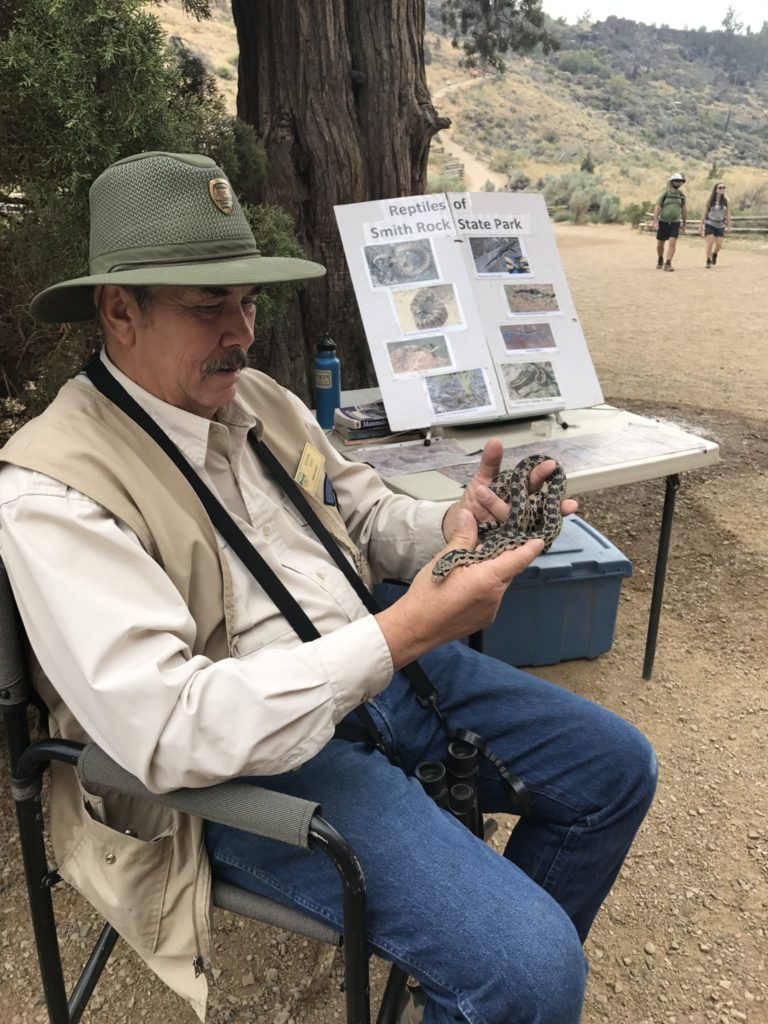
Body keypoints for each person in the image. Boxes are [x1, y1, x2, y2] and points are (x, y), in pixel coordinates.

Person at [0, 152, 657, 1024]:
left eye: (249, 300)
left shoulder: (259, 399)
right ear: (120, 310)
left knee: (616, 771)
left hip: (377, 658)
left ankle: (469, 982)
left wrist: (459, 529)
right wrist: (402, 635)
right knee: (532, 972)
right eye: (209, 306)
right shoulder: (54, 490)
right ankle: (496, 976)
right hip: (242, 758)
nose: (240, 330)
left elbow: (363, 510)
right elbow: (170, 728)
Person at [652, 172, 687, 271]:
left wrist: (684, 223)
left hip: (675, 222)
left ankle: (668, 263)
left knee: (673, 242)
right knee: (660, 244)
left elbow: (684, 209)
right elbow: (658, 207)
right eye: (676, 181)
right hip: (663, 222)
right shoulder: (665, 194)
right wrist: (655, 221)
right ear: (671, 182)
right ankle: (660, 258)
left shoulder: (681, 195)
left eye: (680, 181)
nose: (678, 183)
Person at [699, 182, 732, 267]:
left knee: (719, 245)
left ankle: (714, 254)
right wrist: (701, 225)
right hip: (710, 223)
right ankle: (708, 260)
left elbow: (728, 214)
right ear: (716, 189)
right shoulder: (710, 200)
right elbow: (704, 213)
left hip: (720, 225)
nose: (722, 189)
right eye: (720, 188)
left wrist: (729, 226)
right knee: (710, 243)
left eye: (724, 187)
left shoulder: (726, 201)